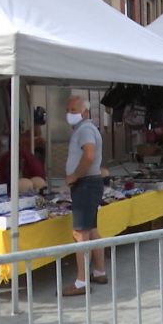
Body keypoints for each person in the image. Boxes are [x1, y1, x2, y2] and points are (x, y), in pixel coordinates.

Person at [62, 96, 107, 296]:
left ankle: (81, 281)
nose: (70, 113)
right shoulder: (84, 129)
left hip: (86, 184)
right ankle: (99, 271)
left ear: (85, 112)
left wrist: (74, 175)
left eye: (74, 109)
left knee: (80, 234)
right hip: (90, 184)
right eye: (68, 109)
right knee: (92, 230)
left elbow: (88, 155)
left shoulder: (85, 130)